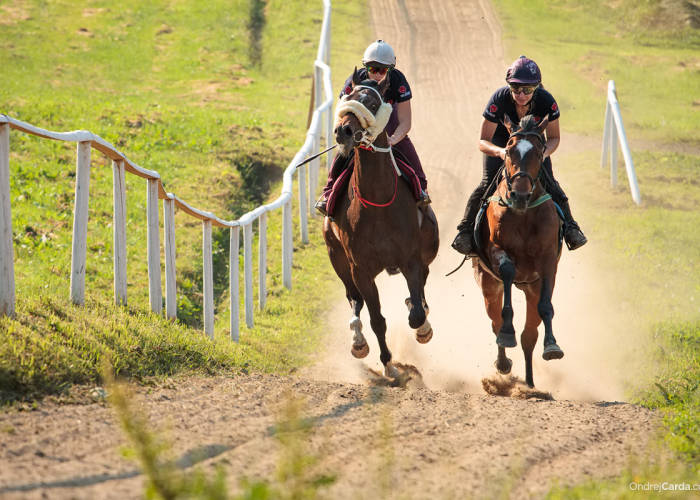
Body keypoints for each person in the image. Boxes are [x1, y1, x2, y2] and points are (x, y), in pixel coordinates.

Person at [451, 55, 587, 255]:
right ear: (509, 86)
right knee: (487, 183)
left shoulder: (547, 101)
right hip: (502, 146)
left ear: (537, 88)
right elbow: (482, 141)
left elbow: (555, 137)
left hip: (534, 150)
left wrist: (542, 154)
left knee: (551, 183)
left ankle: (571, 228)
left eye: (528, 90)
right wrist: (501, 152)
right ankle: (465, 232)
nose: (521, 94)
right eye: (515, 89)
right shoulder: (498, 99)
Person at [315, 40, 429, 216]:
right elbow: (341, 113)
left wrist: (393, 139)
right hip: (359, 131)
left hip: (390, 131)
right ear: (365, 67)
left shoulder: (398, 81)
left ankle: (421, 194)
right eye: (372, 69)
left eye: (382, 70)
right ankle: (328, 194)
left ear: (390, 69)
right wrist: (348, 136)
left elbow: (405, 122)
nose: (377, 74)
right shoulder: (355, 79)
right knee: (340, 158)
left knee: (418, 174)